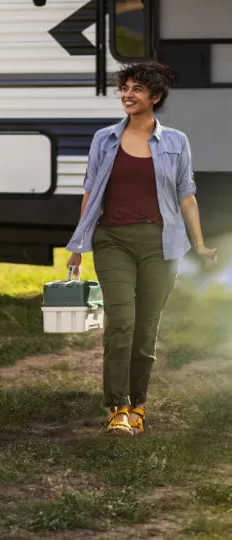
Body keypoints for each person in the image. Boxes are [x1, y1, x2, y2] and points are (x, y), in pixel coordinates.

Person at [65, 59, 217, 437]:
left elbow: (187, 195)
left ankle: (137, 404)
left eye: (136, 89)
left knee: (146, 328)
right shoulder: (104, 139)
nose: (127, 95)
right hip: (112, 239)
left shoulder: (176, 141)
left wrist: (198, 244)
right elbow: (90, 192)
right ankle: (117, 406)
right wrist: (77, 246)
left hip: (161, 245)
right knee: (122, 322)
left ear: (155, 96)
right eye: (125, 88)